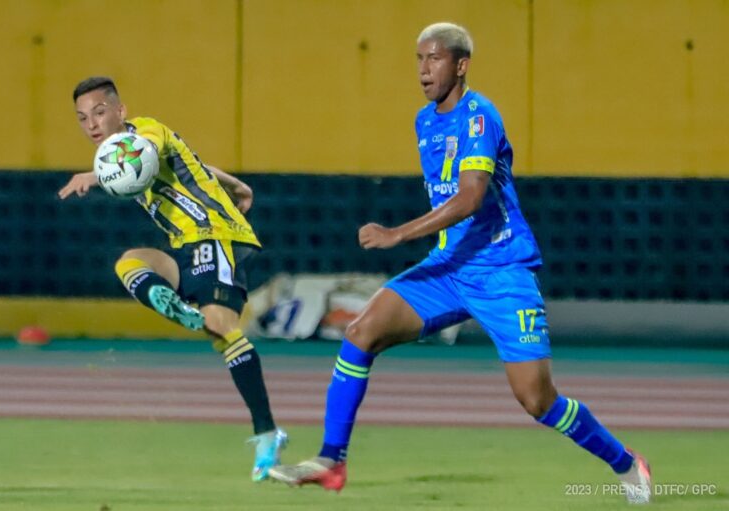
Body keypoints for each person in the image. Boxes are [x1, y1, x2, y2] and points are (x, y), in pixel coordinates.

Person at [269, 22, 652, 504]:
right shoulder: (425, 121)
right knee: (361, 332)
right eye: (419, 59)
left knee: (537, 400)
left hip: (501, 271)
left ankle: (625, 462)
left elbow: (470, 198)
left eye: (434, 59)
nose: (423, 70)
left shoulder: (480, 118)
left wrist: (397, 234)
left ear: (461, 65)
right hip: (450, 268)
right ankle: (331, 460)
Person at [58, 76, 286, 482]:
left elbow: (144, 151)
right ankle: (174, 306)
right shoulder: (125, 157)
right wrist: (236, 184)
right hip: (185, 246)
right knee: (130, 264)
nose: (92, 124)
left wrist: (92, 176)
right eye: (82, 118)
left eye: (99, 112)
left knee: (221, 327)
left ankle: (268, 434)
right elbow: (194, 161)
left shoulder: (145, 132)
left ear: (120, 111)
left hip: (216, 235)